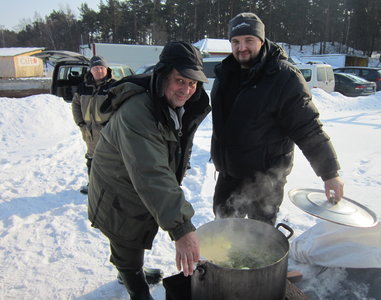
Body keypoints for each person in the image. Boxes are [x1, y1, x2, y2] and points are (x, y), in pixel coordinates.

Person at [87, 41, 210, 300]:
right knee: (126, 240)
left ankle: (129, 270)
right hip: (117, 189)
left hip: (136, 185)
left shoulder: (170, 104)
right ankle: (136, 287)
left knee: (132, 239)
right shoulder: (137, 112)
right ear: (163, 75)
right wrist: (182, 228)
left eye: (193, 83)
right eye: (180, 80)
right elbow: (151, 172)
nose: (187, 89)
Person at [210, 12, 344, 225]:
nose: (241, 47)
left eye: (248, 40)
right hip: (229, 174)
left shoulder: (284, 77)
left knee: (259, 238)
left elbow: (307, 127)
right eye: (235, 41)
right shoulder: (227, 73)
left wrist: (330, 173)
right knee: (223, 229)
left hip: (265, 179)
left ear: (261, 41)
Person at [71, 56, 116, 194]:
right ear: (91, 70)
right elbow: (76, 104)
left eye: (101, 67)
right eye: (96, 68)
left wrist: (111, 125)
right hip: (89, 131)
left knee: (109, 159)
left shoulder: (113, 86)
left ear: (106, 68)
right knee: (91, 158)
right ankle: (93, 184)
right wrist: (80, 123)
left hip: (107, 131)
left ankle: (110, 187)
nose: (99, 70)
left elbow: (120, 107)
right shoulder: (83, 86)